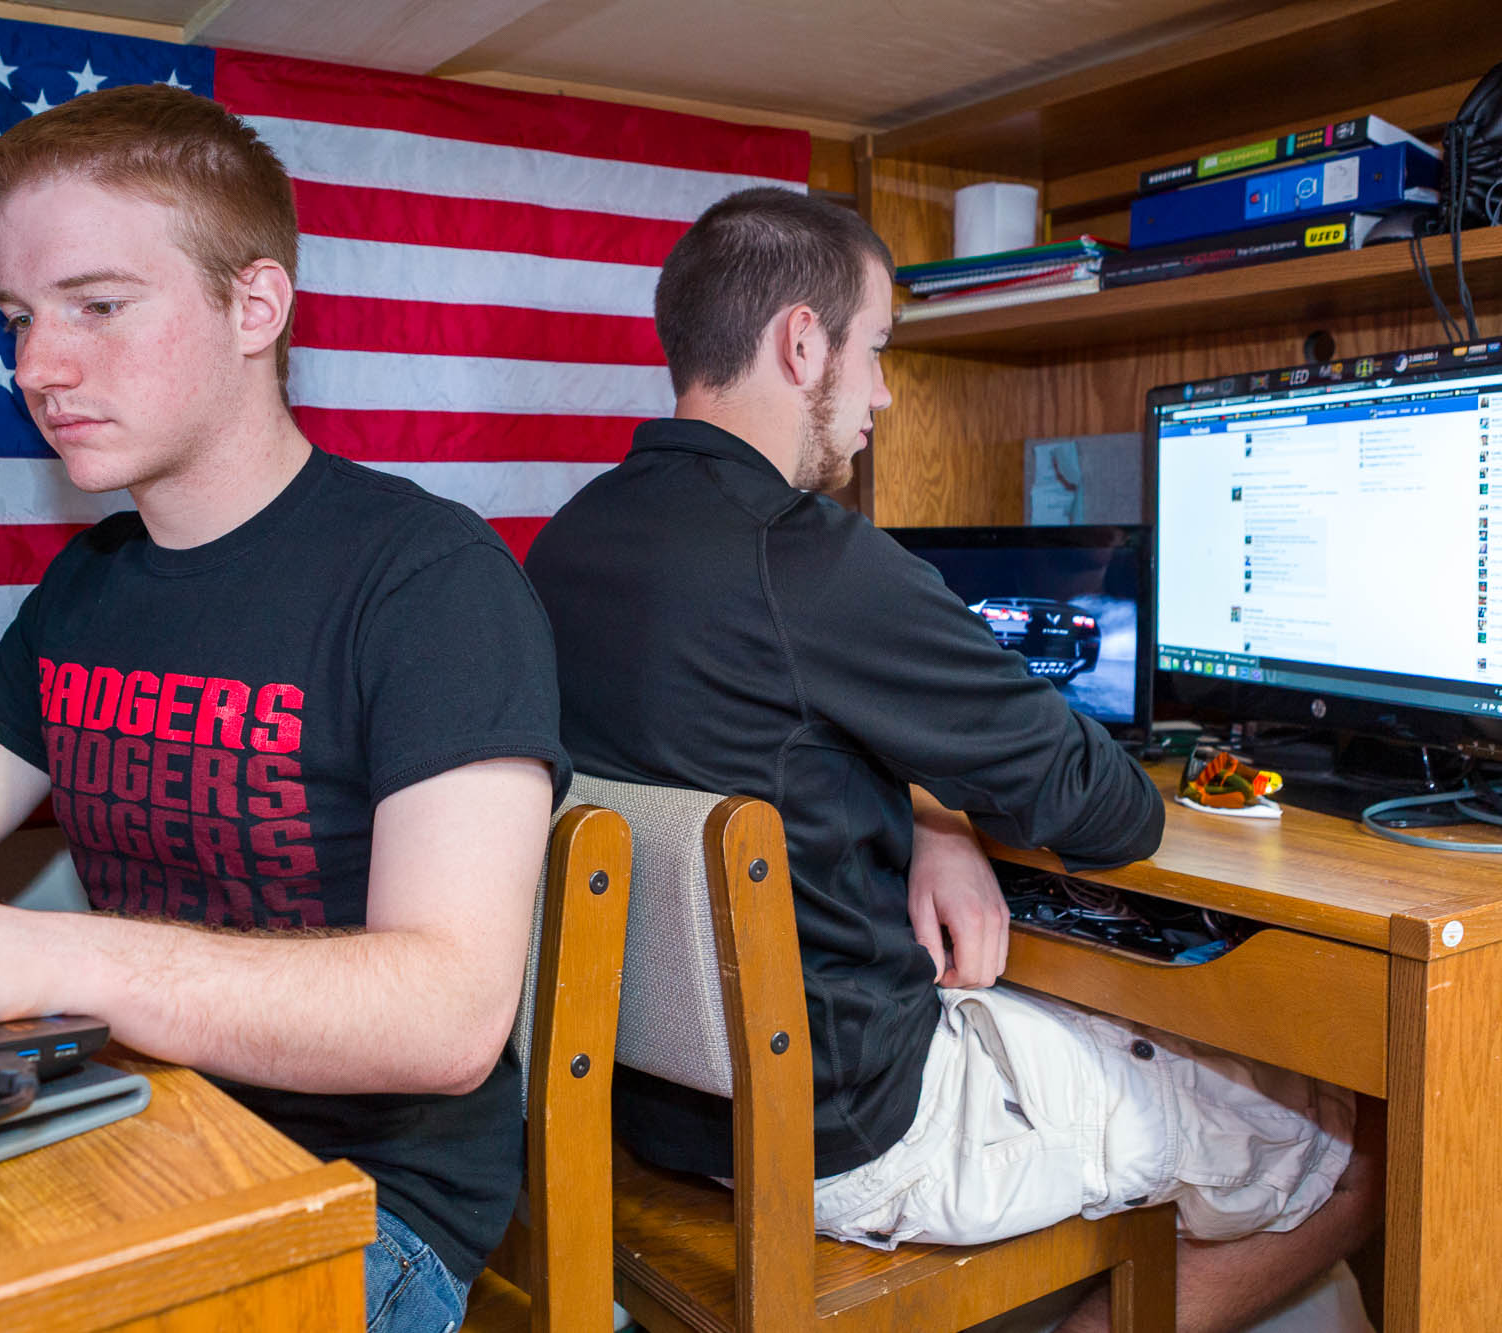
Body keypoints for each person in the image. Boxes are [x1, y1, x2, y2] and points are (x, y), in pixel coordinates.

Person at [0, 84, 571, 1333]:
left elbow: (445, 1015)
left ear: (254, 305)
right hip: (116, 1120)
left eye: (99, 306)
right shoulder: (91, 582)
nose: (37, 368)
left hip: (362, 1206)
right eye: (18, 316)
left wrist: (20, 955)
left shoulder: (428, 580)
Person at [523, 188, 1379, 1333]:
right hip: (856, 1128)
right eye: (875, 351)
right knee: (1357, 1141)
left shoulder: (571, 538)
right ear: (799, 342)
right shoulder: (805, 560)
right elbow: (1109, 808)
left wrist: (934, 817)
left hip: (664, 1112)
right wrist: (952, 801)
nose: (880, 392)